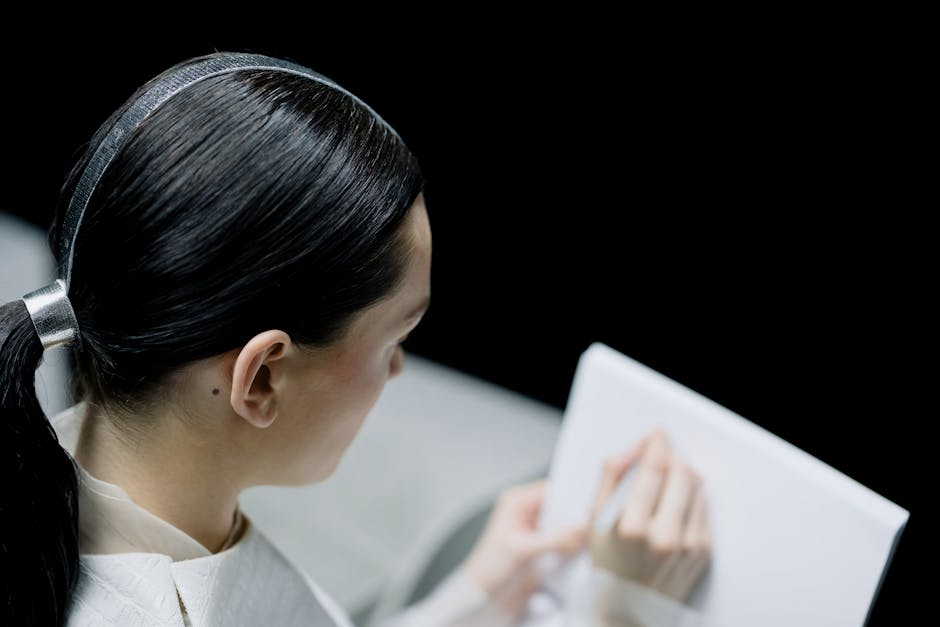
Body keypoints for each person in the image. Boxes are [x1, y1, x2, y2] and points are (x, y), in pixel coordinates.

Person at [0, 52, 710, 626]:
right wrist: (623, 612)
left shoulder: (45, 481)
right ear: (262, 379)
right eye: (395, 335)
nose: (398, 369)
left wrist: (480, 598)